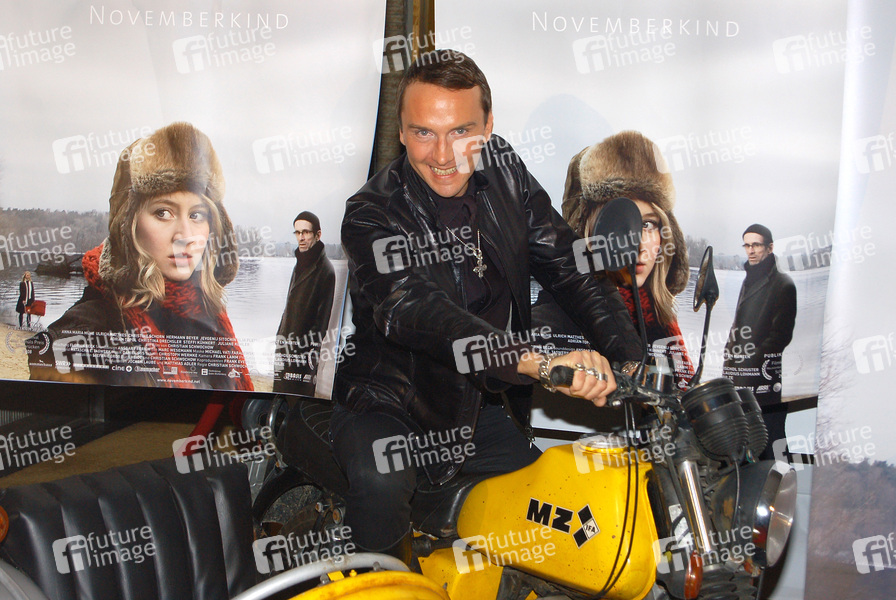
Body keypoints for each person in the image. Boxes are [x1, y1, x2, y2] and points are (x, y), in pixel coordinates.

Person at [331, 50, 641, 560]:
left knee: (548, 514)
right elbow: (415, 308)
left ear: (489, 126)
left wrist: (629, 359)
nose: (443, 155)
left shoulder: (504, 171)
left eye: (461, 131)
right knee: (381, 483)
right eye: (424, 132)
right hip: (391, 403)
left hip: (473, 406)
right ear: (401, 132)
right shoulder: (371, 214)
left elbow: (570, 267)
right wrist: (538, 363)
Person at [27, 122, 253, 392]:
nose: (185, 235)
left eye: (196, 215)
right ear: (128, 226)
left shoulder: (208, 315)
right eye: (163, 213)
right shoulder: (81, 335)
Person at [534, 131, 694, 390]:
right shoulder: (551, 320)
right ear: (588, 232)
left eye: (648, 224)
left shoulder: (662, 321)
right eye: (621, 225)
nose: (637, 242)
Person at [723, 224, 797, 458]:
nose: (751, 251)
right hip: (739, 378)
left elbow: (781, 335)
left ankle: (779, 479)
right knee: (742, 445)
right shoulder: (749, 279)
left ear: (770, 247)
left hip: (765, 380)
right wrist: (729, 354)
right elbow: (739, 323)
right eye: (747, 245)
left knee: (771, 443)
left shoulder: (784, 284)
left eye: (756, 245)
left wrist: (751, 360)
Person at [273, 211, 336, 396]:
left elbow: (321, 324)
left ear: (318, 235)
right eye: (297, 232)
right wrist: (279, 337)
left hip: (303, 355)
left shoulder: (326, 270)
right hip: (284, 347)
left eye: (306, 232)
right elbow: (289, 307)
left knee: (299, 402)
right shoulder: (299, 263)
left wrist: (306, 354)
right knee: (278, 398)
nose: (301, 238)